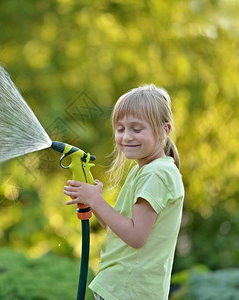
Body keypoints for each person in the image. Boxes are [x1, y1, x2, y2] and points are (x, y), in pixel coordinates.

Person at [63, 84, 184, 300]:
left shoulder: (156, 174)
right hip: (122, 287)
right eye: (120, 129)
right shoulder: (143, 171)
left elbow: (136, 236)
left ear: (165, 130)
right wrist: (93, 201)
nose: (126, 137)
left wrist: (96, 200)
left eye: (137, 129)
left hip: (129, 290)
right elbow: (117, 229)